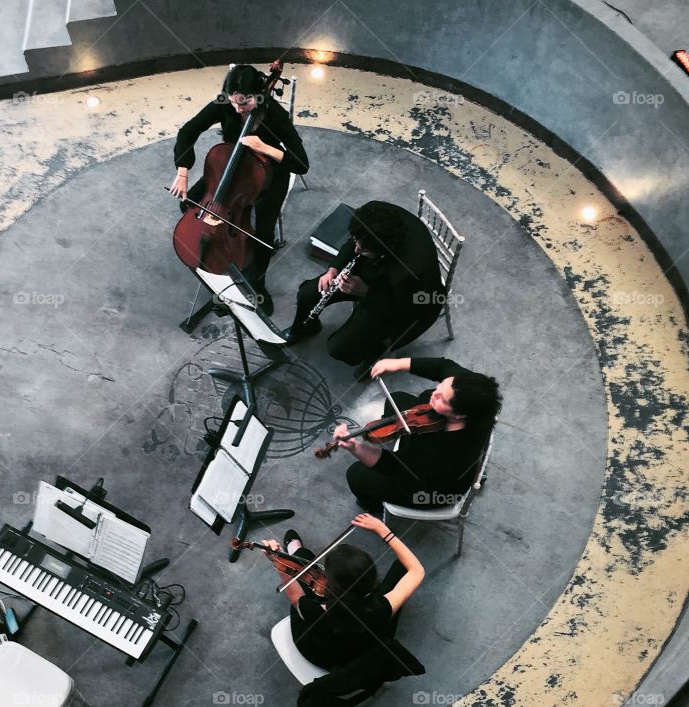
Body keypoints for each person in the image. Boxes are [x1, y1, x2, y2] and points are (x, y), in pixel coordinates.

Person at [169, 64, 310, 315]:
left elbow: (301, 164)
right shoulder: (225, 103)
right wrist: (182, 170)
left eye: (244, 104)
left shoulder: (275, 115)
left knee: (263, 234)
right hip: (227, 168)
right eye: (234, 103)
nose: (237, 109)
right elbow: (188, 131)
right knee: (188, 203)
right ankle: (216, 261)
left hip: (268, 176)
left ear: (259, 96)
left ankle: (258, 284)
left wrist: (265, 148)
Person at [284, 200, 446, 378]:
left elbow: (403, 309)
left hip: (405, 303)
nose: (356, 249)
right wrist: (333, 270)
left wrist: (365, 291)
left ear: (383, 249)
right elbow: (354, 244)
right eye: (357, 243)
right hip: (377, 273)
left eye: (363, 250)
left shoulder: (413, 270)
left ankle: (375, 355)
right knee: (308, 293)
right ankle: (306, 327)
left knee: (338, 347)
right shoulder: (374, 219)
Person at [335, 356, 501, 512]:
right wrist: (397, 363)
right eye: (441, 385)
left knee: (356, 475)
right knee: (397, 399)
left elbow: (393, 467)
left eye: (442, 399)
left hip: (429, 494)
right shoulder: (472, 394)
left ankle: (374, 507)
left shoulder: (440, 453)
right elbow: (442, 366)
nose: (434, 393)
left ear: (460, 415)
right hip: (435, 462)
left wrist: (356, 447)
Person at [261, 513, 424, 672]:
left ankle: (295, 549)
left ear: (332, 586)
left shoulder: (315, 611)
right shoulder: (383, 606)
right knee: (402, 566)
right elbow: (417, 570)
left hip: (320, 655)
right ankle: (297, 551)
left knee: (305, 560)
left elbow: (295, 596)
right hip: (364, 653)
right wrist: (383, 530)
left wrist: (279, 561)